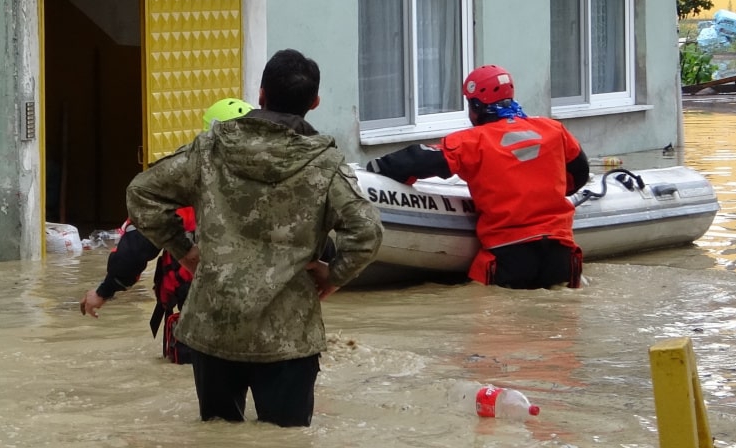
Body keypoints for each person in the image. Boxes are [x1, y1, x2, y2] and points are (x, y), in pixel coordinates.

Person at [125, 49, 383, 428]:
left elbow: (141, 194)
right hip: (288, 336)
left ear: (260, 96)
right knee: (286, 438)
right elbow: (368, 231)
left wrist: (187, 252)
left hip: (214, 328)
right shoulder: (325, 165)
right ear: (314, 103)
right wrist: (334, 275)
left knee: (218, 436)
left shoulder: (209, 149)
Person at [366, 64, 590, 290]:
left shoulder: (471, 142)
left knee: (485, 315)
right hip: (561, 254)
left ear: (476, 106)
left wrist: (375, 169)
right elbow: (579, 174)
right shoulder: (554, 130)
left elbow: (418, 160)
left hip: (509, 255)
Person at [79, 97, 253, 366]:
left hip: (199, 324)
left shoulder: (178, 194)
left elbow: (133, 252)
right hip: (266, 325)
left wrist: (103, 292)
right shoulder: (279, 189)